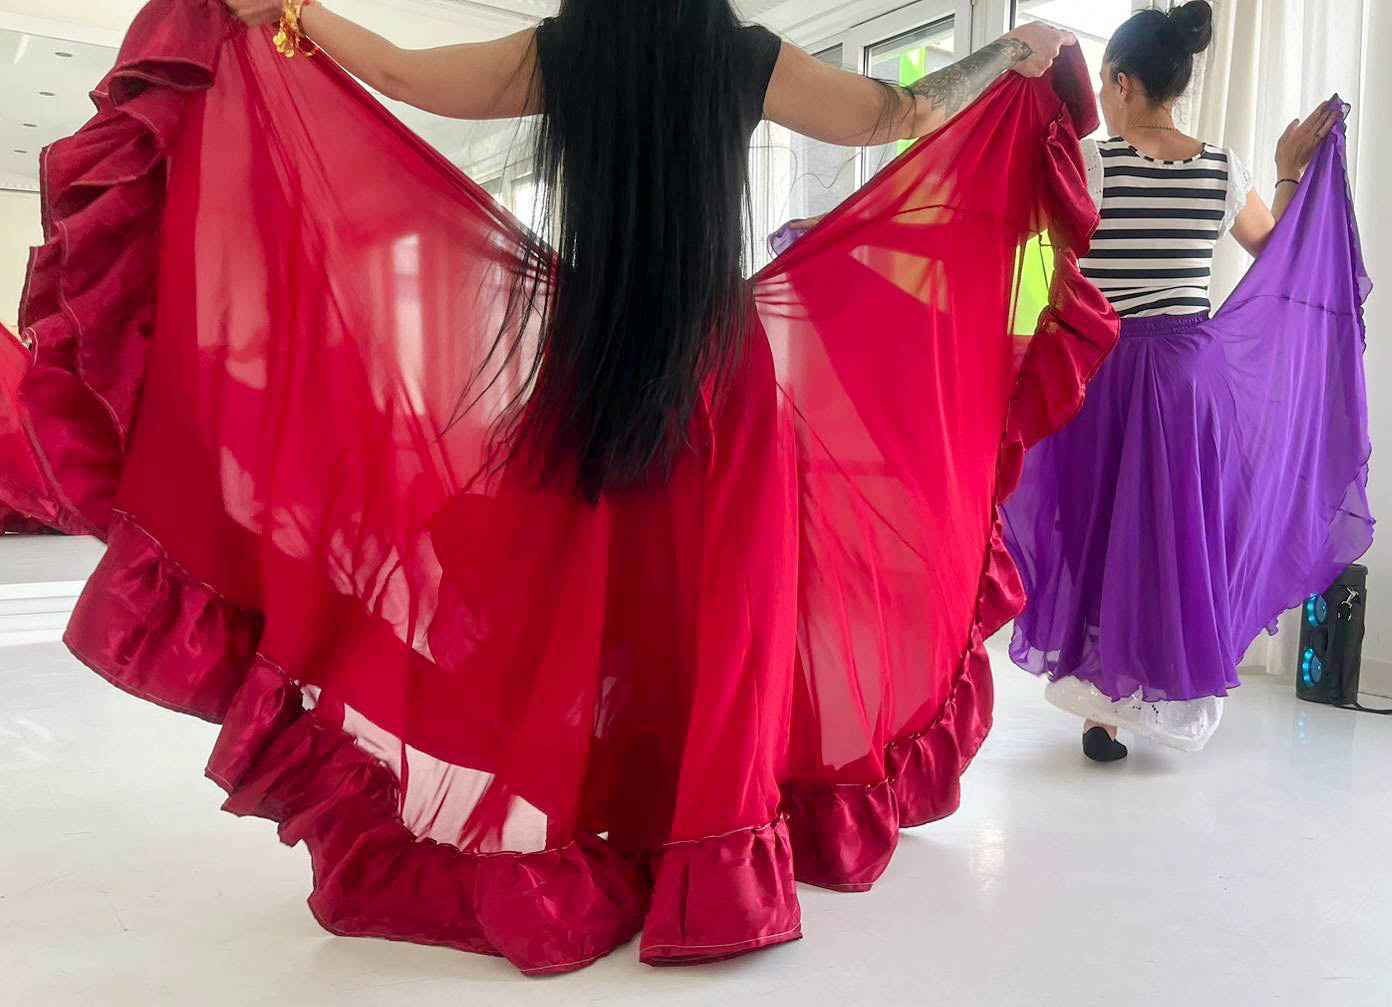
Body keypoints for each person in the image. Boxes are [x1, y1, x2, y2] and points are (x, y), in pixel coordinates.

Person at [1, 0, 1116, 975]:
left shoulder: (564, 51)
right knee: (723, 619)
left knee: (596, 609)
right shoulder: (738, 55)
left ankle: (606, 822)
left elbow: (398, 73)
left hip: (597, 366)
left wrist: (296, 14)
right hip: (719, 376)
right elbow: (895, 114)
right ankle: (713, 860)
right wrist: (1006, 58)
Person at [1001, 1, 1372, 761]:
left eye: (1106, 85)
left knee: (1100, 527)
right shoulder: (1222, 168)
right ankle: (1154, 691)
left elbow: (1024, 230)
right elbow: (1279, 252)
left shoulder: (1095, 165)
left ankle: (1102, 713)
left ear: (1122, 82)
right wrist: (1288, 172)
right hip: (1188, 378)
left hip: (1105, 368)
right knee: (1174, 532)